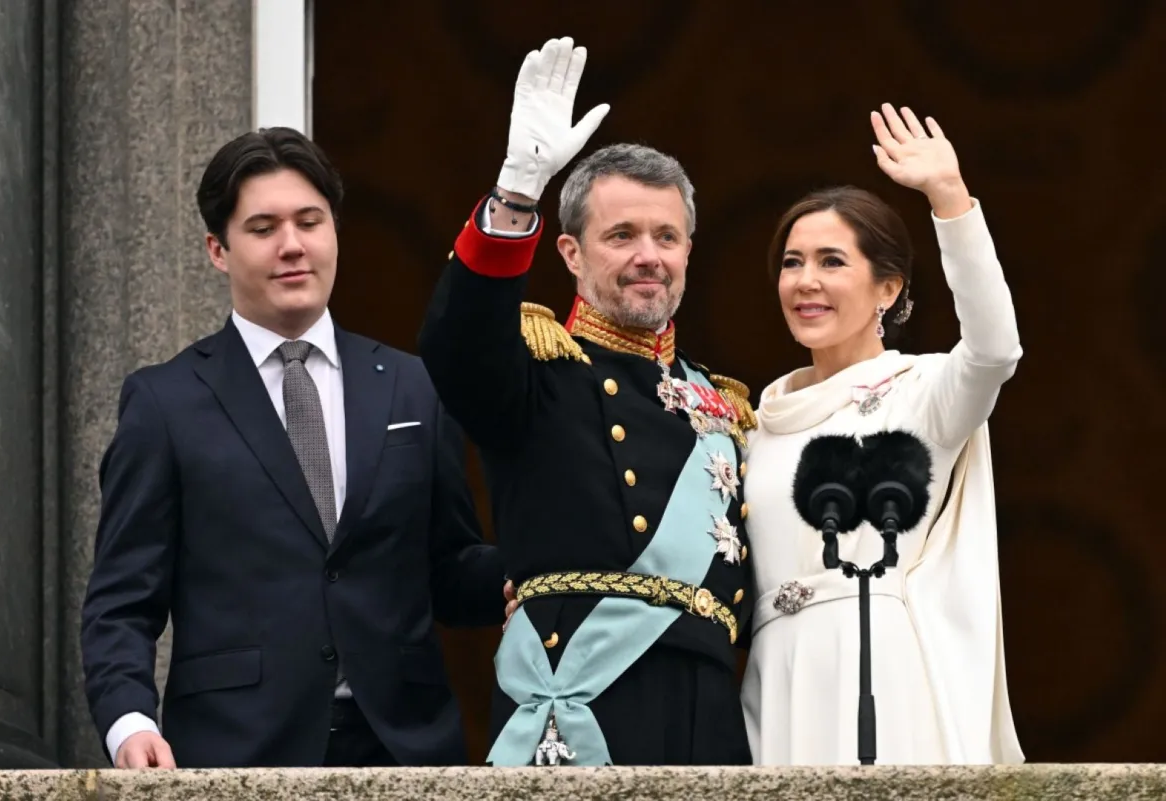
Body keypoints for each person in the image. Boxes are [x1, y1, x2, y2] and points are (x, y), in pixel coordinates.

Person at [79, 127, 506, 769]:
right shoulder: (164, 403)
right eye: (262, 228)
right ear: (217, 250)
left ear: (335, 232)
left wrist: (538, 563)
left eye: (310, 221)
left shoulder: (415, 388)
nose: (292, 246)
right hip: (235, 752)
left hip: (403, 750)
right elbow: (121, 600)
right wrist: (128, 721)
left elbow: (447, 572)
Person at [419, 37, 756, 766]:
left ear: (689, 252)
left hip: (706, 716)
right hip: (583, 701)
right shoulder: (538, 369)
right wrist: (516, 193)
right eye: (622, 235)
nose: (649, 255)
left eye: (667, 236)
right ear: (571, 253)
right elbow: (456, 344)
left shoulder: (724, 407)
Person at [739, 103, 1024, 764]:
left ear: (887, 288)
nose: (806, 280)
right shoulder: (754, 421)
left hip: (882, 669)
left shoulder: (923, 395)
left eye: (832, 261)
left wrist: (949, 199)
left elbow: (994, 351)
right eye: (792, 262)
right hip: (776, 674)